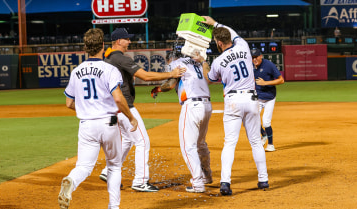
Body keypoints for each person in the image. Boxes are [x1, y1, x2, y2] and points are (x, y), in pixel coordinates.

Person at [58, 28, 138, 209]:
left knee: (84, 167)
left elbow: (69, 103)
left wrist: (87, 109)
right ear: (103, 45)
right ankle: (113, 206)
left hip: (87, 125)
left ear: (86, 47)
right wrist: (131, 117)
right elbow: (118, 98)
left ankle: (71, 179)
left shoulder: (76, 71)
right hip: (108, 124)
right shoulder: (109, 69)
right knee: (114, 166)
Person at [99, 28, 186, 192]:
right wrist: (171, 73)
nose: (130, 41)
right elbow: (145, 76)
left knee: (127, 140)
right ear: (118, 41)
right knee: (142, 141)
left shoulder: (109, 58)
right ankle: (140, 181)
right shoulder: (119, 58)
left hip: (112, 107)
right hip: (124, 106)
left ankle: (107, 171)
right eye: (127, 39)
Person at [200, 16, 269, 196]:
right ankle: (263, 179)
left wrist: (203, 63)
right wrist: (215, 23)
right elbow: (233, 32)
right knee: (255, 142)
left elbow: (210, 79)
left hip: (233, 102)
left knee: (230, 143)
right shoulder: (243, 46)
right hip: (252, 99)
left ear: (220, 43)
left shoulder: (218, 61)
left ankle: (225, 183)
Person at [150, 51, 213, 193]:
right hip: (207, 105)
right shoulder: (196, 62)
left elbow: (171, 84)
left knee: (188, 147)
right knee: (200, 143)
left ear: (170, 59)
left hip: (191, 106)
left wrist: (159, 88)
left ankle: (197, 183)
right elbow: (208, 78)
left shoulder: (176, 64)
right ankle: (207, 176)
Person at [250, 48, 284, 152]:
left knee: (266, 122)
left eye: (256, 57)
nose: (254, 59)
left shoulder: (268, 65)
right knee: (251, 120)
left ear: (261, 56)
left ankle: (270, 145)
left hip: (269, 98)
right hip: (257, 97)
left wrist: (265, 83)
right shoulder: (250, 66)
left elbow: (281, 80)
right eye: (252, 57)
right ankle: (263, 134)